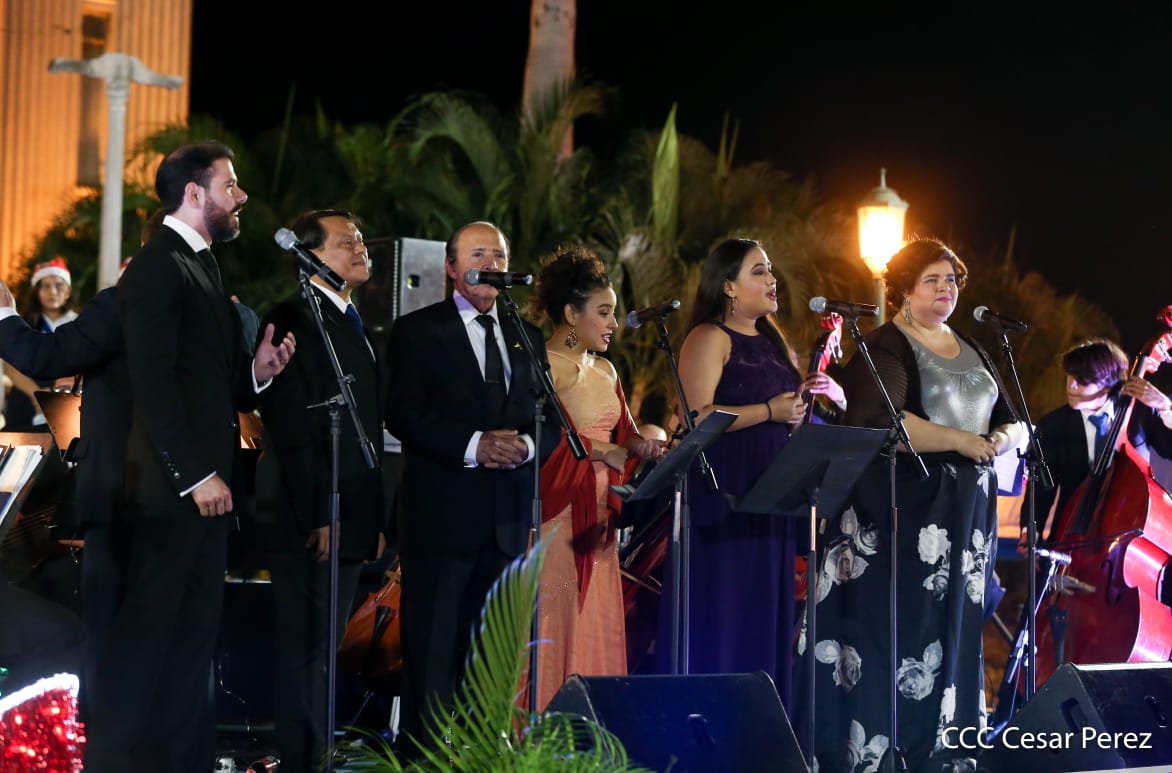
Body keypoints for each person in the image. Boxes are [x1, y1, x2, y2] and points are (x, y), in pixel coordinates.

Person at [83, 141, 296, 772]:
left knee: (191, 643)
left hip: (207, 493)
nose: (242, 197)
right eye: (231, 185)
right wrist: (193, 474)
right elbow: (153, 384)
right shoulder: (157, 266)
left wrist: (257, 373)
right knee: (147, 642)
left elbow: (209, 384)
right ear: (194, 193)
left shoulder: (202, 266)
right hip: (173, 492)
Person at [811, 238, 1024, 773]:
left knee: (955, 630)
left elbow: (1012, 416)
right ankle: (889, 752)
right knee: (908, 629)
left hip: (965, 513)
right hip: (906, 512)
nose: (945, 289)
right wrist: (960, 441)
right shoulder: (885, 344)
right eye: (932, 280)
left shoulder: (971, 345)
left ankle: (948, 748)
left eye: (951, 280)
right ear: (904, 289)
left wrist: (1003, 437)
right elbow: (882, 421)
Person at [384, 220, 561, 749]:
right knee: (433, 654)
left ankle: (483, 754)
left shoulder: (526, 336)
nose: (492, 264)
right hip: (440, 520)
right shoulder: (418, 331)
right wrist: (474, 445)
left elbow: (550, 419)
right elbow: (403, 414)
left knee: (492, 659)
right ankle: (425, 757)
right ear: (452, 267)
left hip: (505, 523)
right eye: (479, 254)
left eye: (500, 255)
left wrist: (525, 446)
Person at [664, 237, 845, 708]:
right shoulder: (709, 337)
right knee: (725, 615)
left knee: (766, 618)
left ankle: (760, 721)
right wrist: (768, 410)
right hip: (724, 496)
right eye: (758, 271)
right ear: (728, 286)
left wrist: (800, 413)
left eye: (770, 270)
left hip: (772, 496)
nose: (772, 280)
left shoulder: (773, 343)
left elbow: (787, 419)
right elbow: (695, 418)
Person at [253, 209, 389, 771]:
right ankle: (301, 761)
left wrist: (373, 518)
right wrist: (320, 515)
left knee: (325, 649)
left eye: (360, 240)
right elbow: (290, 426)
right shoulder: (291, 317)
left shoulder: (353, 322)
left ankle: (319, 756)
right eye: (345, 242)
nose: (360, 249)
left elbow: (365, 430)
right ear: (309, 256)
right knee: (307, 649)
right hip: (308, 513)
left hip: (352, 514)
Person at [525, 246, 665, 710]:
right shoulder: (544, 366)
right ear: (570, 313)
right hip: (561, 519)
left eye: (613, 313)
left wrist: (646, 445)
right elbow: (544, 443)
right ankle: (546, 728)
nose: (613, 323)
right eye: (603, 313)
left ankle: (589, 730)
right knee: (557, 621)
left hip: (602, 524)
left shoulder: (605, 369)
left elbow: (626, 436)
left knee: (595, 623)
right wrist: (605, 450)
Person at [1021, 338, 1172, 549]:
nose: (1071, 385)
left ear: (1107, 383)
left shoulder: (1140, 413)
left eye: (1082, 380)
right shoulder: (1053, 424)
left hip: (1128, 541)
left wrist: (1166, 409)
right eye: (1070, 376)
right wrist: (1030, 531)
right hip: (1069, 537)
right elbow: (1042, 488)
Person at [3, 258, 79, 430]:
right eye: (46, 286)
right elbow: (10, 366)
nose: (53, 291)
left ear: (68, 291)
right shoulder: (21, 323)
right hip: (25, 400)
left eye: (59, 285)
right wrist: (37, 395)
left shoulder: (79, 323)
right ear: (36, 291)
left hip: (66, 401)